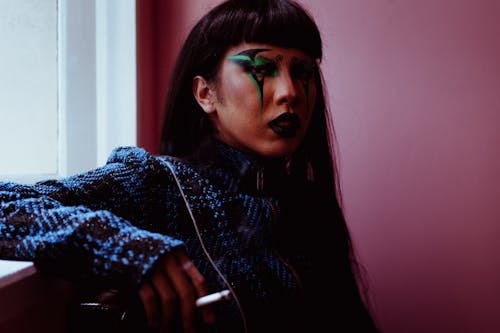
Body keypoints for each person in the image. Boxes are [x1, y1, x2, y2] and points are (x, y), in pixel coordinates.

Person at [0, 0, 381, 332]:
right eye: (262, 69)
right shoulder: (156, 184)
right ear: (205, 93)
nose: (290, 93)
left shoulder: (307, 206)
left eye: (302, 72)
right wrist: (125, 245)